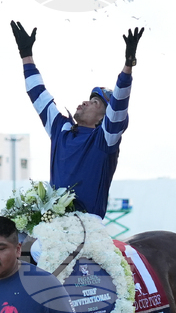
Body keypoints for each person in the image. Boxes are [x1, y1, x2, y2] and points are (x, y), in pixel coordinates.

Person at [10, 20, 143, 219]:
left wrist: (128, 66)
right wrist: (26, 55)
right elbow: (38, 95)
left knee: (38, 250)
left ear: (102, 119)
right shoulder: (60, 129)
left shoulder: (104, 139)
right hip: (53, 222)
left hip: (88, 225)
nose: (85, 102)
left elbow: (119, 106)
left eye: (95, 103)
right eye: (89, 99)